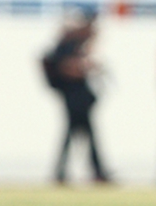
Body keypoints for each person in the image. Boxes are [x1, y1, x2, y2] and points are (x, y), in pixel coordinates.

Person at [46, 10, 110, 184]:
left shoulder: (73, 44)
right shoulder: (69, 45)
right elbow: (67, 67)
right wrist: (84, 67)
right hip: (75, 98)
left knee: (76, 136)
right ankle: (94, 172)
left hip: (77, 98)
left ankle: (64, 172)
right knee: (80, 136)